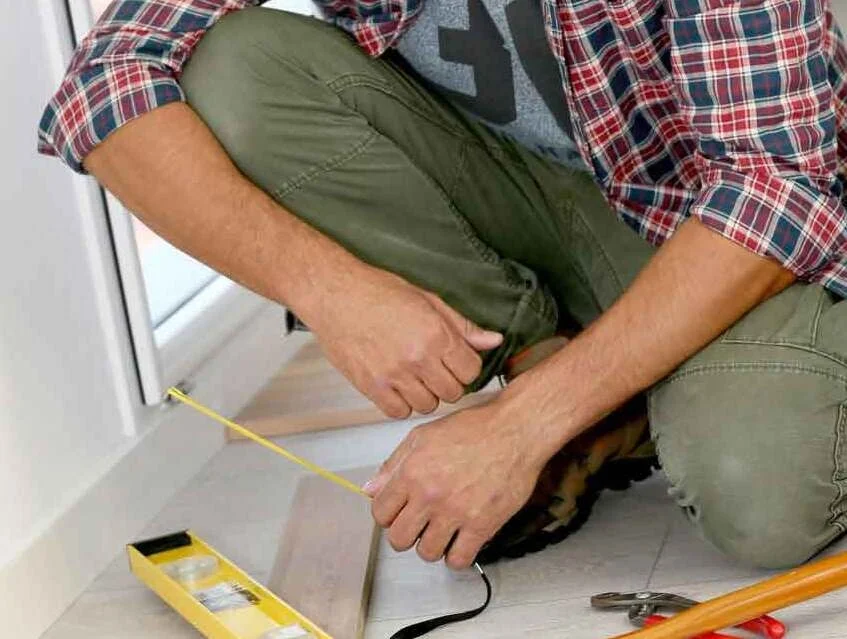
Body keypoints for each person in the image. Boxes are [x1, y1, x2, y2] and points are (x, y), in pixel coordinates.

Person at [39, 0, 847, 571]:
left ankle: (594, 406)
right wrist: (329, 290)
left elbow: (777, 187)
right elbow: (105, 83)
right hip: (520, 192)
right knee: (228, 69)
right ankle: (559, 366)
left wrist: (517, 429)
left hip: (714, 229)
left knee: (761, 501)